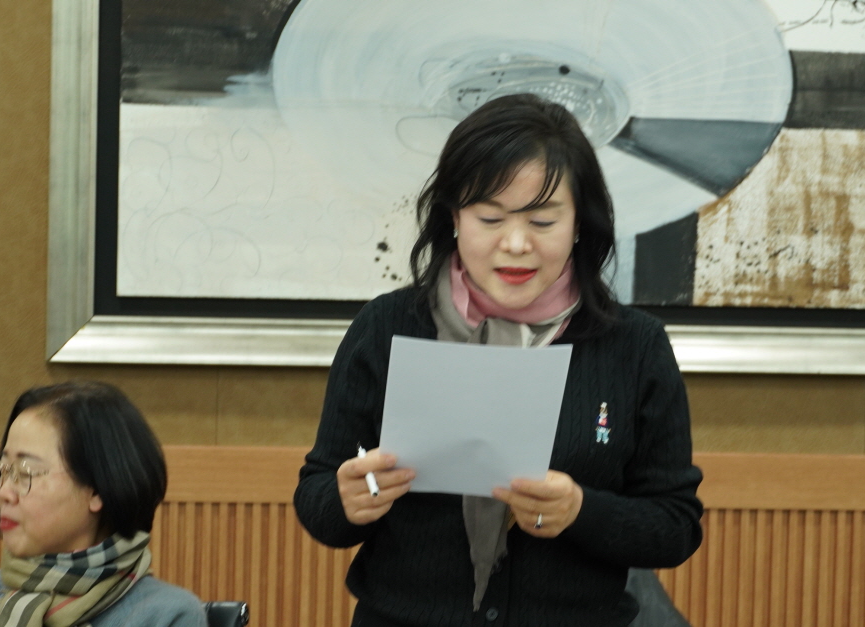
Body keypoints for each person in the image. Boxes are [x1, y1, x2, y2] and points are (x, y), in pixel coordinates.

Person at [294, 93, 703, 627]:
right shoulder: (387, 327)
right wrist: (347, 500)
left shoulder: (634, 346)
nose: (515, 244)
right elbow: (318, 498)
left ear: (579, 223)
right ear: (454, 218)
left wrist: (582, 510)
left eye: (543, 221)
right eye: (490, 218)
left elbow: (676, 525)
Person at [0, 381, 208, 627]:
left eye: (26, 472)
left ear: (97, 489)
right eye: (3, 470)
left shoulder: (167, 615)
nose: (3, 493)